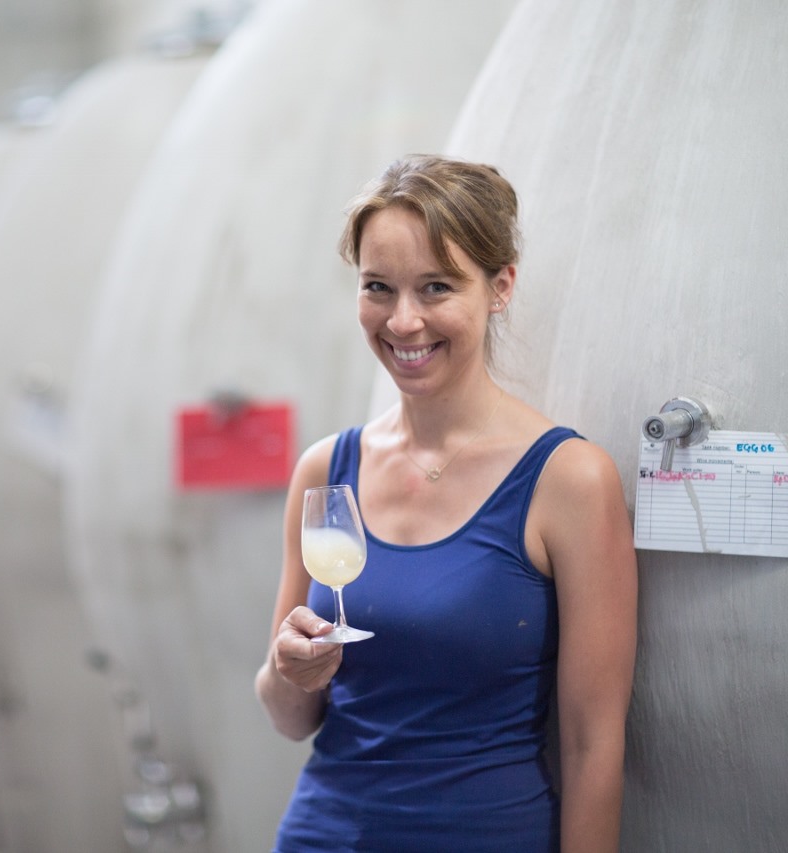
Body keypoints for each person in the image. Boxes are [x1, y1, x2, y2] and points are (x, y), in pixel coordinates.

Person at [254, 154, 637, 852]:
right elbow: (290, 719)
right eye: (378, 287)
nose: (403, 321)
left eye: (436, 287)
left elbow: (592, 746)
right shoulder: (325, 471)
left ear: (500, 287)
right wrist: (288, 669)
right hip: (323, 834)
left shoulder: (571, 481)